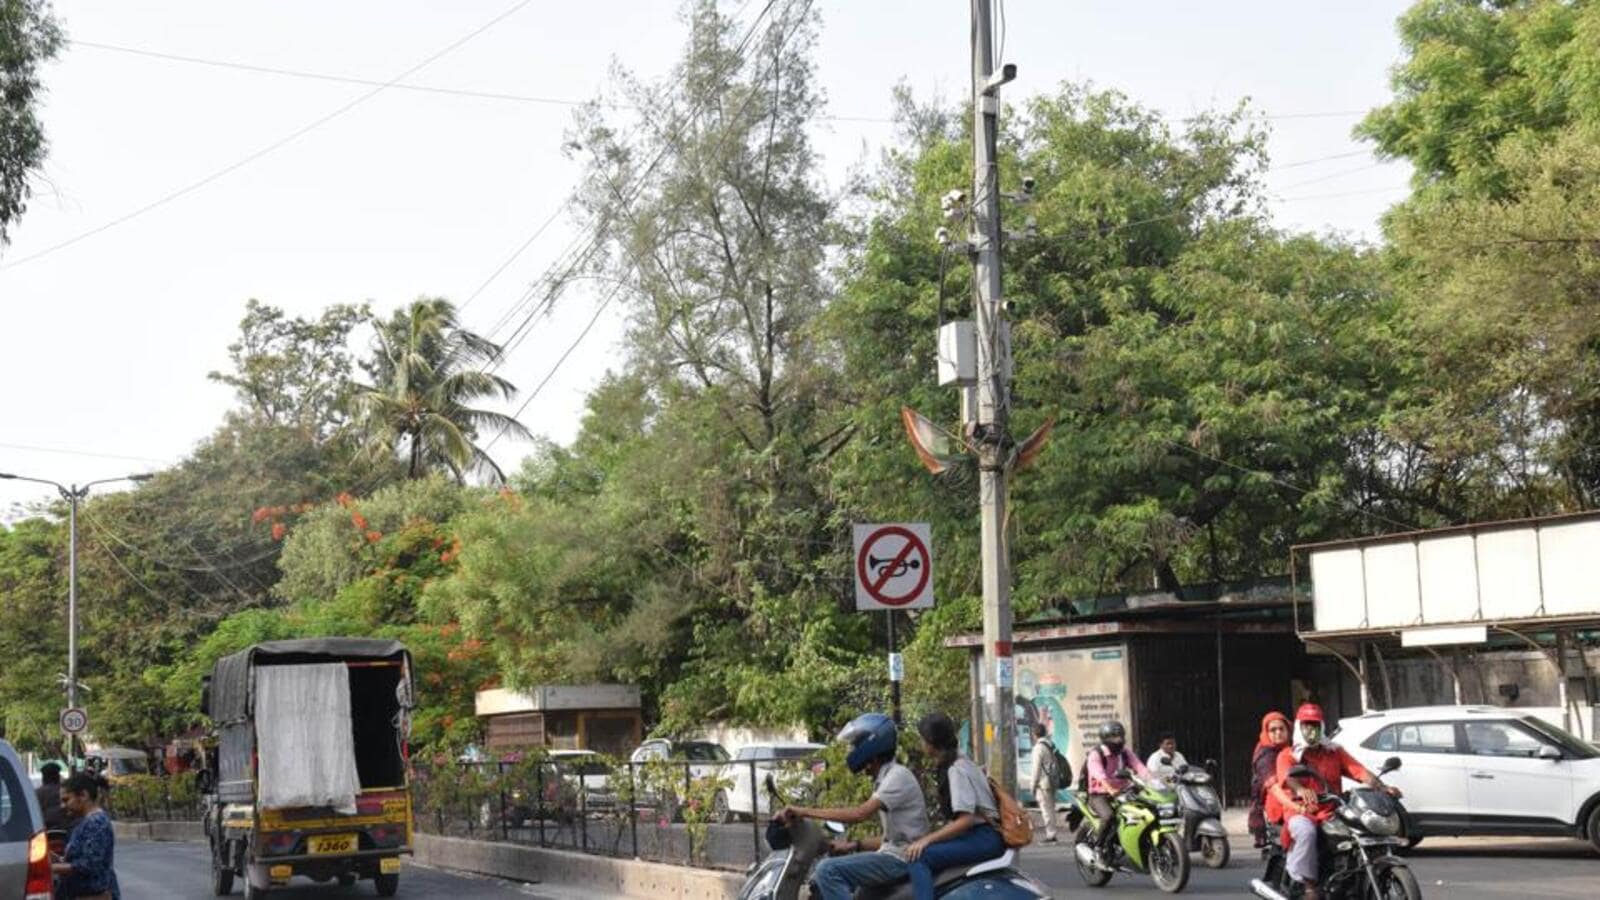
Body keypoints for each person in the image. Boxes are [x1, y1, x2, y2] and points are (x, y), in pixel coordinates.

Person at [779, 712, 929, 900]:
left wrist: (804, 810)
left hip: (901, 860)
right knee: (859, 894)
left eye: (857, 745)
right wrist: (853, 845)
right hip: (895, 855)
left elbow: (860, 814)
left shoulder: (897, 776)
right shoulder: (886, 777)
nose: (854, 750)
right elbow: (890, 840)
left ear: (871, 748)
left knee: (827, 870)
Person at [1271, 703, 1399, 900]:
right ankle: (1308, 884)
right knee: (1306, 831)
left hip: (1332, 809)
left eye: (1314, 725)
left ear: (1321, 726)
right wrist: (1301, 789)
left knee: (1358, 831)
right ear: (1298, 727)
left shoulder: (1334, 751)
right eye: (1306, 725)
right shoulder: (1288, 755)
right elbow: (1288, 777)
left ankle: (1352, 877)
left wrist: (1382, 787)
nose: (1310, 730)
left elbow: (1359, 771)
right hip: (1301, 811)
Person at [903, 713, 1003, 900]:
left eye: (922, 739)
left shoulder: (956, 769)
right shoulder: (962, 760)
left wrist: (927, 840)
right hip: (983, 835)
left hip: (982, 837)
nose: (921, 744)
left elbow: (966, 820)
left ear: (931, 743)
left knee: (918, 857)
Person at [1085, 721, 1149, 863]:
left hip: (1123, 790)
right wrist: (1110, 789)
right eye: (1114, 737)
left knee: (1146, 809)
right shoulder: (1096, 754)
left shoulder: (1124, 752)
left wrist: (1153, 780)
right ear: (1105, 739)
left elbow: (1139, 767)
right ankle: (1098, 847)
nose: (1118, 740)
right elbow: (1099, 775)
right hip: (1099, 794)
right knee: (1109, 817)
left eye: (1120, 736)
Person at [52, 771, 121, 900]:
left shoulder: (96, 823)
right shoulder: (87, 821)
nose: (63, 806)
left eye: (66, 800)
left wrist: (53, 868)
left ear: (83, 795)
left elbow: (89, 865)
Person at [1248, 711, 1291, 848]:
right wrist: (1295, 806)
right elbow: (1273, 785)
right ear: (1266, 732)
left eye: (1281, 729)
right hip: (1276, 802)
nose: (1278, 733)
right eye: (1273, 730)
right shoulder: (1265, 755)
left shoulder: (1293, 748)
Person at [1027, 722, 1060, 842]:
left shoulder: (1038, 748)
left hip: (1043, 784)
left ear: (1034, 734)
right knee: (1051, 808)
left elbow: (1036, 769)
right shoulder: (1050, 745)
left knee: (1046, 809)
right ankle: (1052, 833)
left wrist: (1032, 786)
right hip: (1052, 781)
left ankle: (1051, 835)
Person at [36, 763, 66, 831]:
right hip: (65, 826)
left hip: (44, 827)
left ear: (43, 777)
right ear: (58, 776)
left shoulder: (38, 793)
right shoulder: (66, 790)